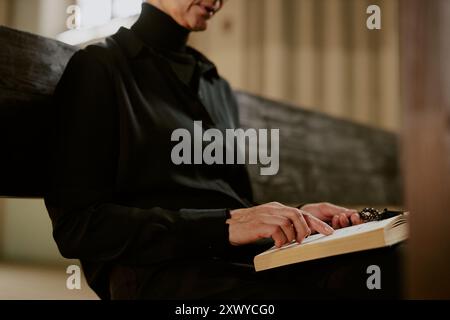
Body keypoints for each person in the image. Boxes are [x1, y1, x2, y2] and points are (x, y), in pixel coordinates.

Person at [45, 0, 402, 299]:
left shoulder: (212, 81)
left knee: (387, 264)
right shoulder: (99, 68)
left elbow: (236, 205)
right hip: (154, 272)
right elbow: (78, 227)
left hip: (236, 257)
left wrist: (297, 217)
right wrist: (223, 226)